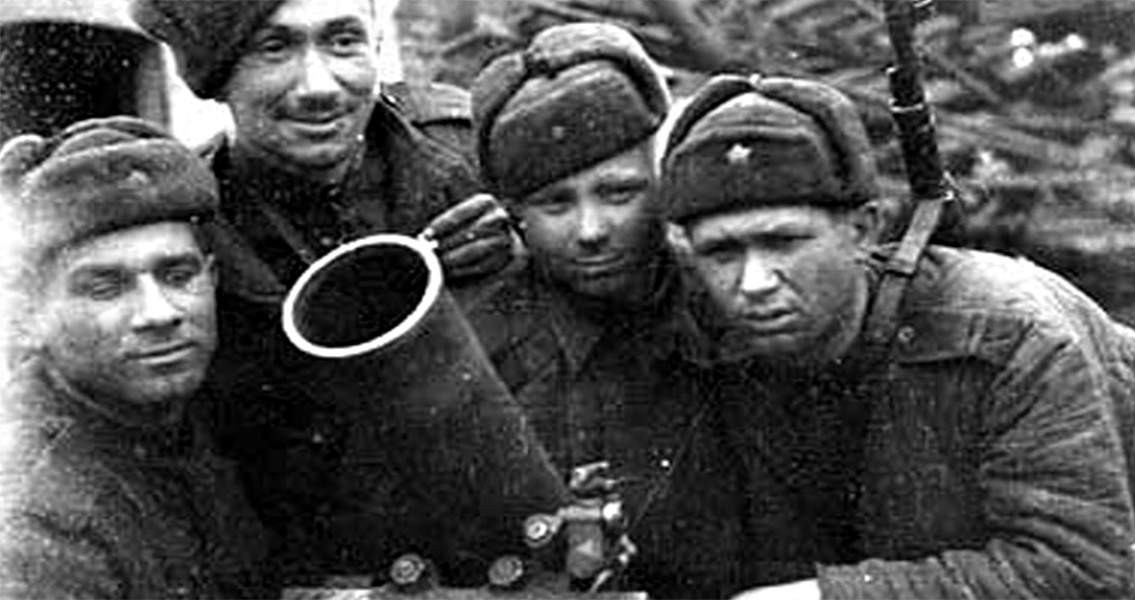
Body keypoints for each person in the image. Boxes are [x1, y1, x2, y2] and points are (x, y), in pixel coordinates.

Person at [659, 74, 1135, 599]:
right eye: (721, 253)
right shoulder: (727, 343)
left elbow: (1082, 574)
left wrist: (825, 597)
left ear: (862, 231)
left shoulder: (1011, 338)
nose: (753, 282)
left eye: (783, 242)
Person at [130, 0, 565, 587]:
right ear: (214, 76)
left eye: (343, 41)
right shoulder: (183, 233)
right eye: (274, 48)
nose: (319, 86)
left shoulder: (475, 152)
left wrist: (538, 247)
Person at [466, 23, 803, 597]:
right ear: (513, 212)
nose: (591, 230)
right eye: (555, 204)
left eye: (619, 193)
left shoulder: (739, 309)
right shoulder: (477, 343)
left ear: (662, 184)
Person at [0, 117, 267, 599]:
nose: (159, 313)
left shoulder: (193, 421)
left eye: (177, 275)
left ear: (212, 278)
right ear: (26, 317)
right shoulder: (35, 520)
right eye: (106, 288)